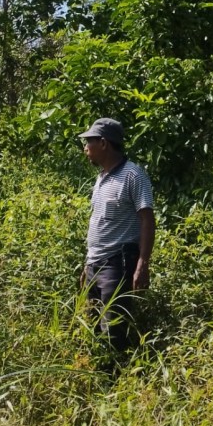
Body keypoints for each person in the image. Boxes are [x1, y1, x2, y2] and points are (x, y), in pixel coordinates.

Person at [79, 117, 155, 356]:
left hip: (117, 263)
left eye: (88, 142)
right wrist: (87, 263)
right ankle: (98, 379)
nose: (85, 148)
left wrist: (142, 263)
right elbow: (98, 223)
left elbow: (147, 219)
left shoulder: (133, 175)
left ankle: (117, 380)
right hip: (94, 264)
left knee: (113, 329)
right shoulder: (101, 178)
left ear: (103, 143)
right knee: (91, 327)